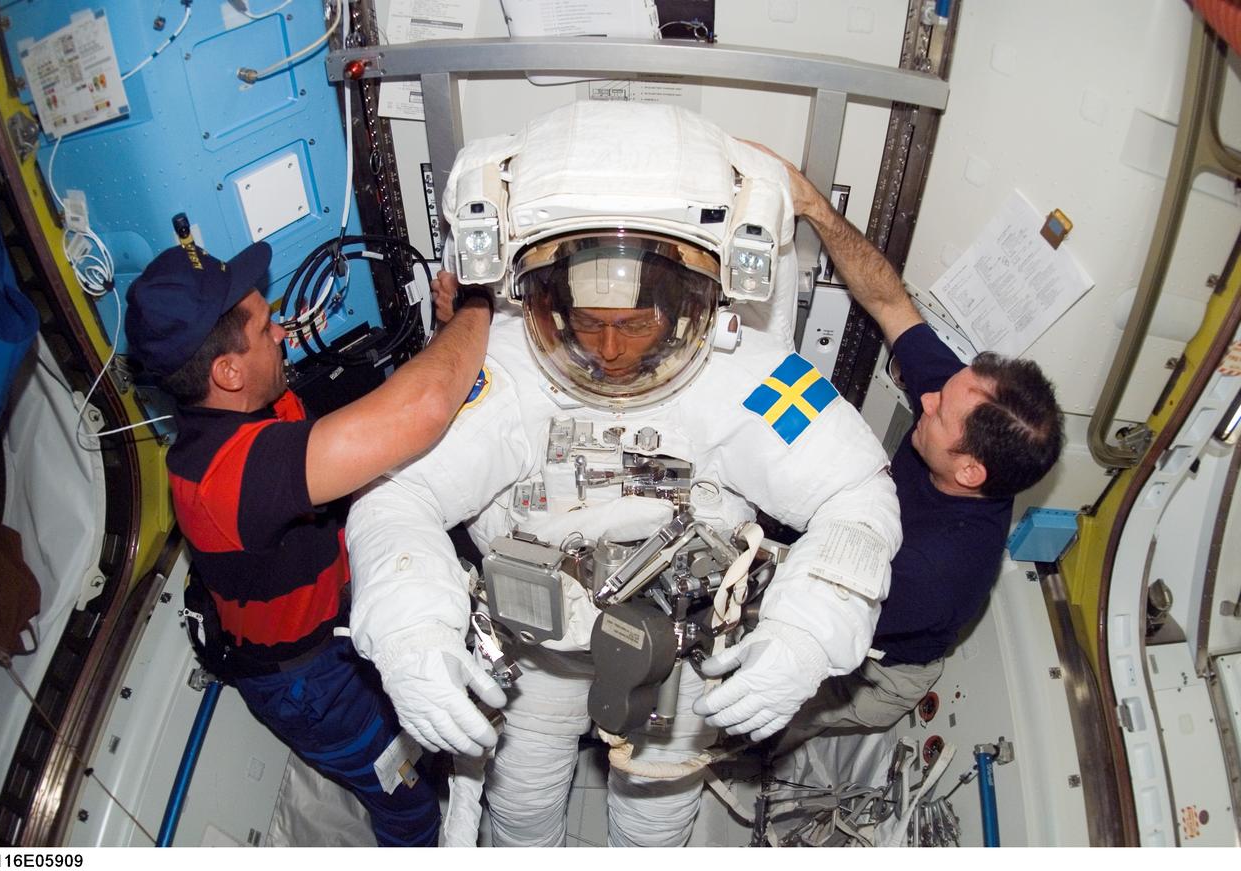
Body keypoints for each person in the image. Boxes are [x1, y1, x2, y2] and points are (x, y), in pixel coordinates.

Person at [345, 101, 902, 847]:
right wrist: (412, 625)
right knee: (520, 813)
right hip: (535, 645)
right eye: (586, 322)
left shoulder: (749, 377)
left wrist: (807, 633)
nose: (608, 350)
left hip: (678, 650)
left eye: (634, 324)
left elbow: (857, 493)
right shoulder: (507, 366)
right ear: (544, 299)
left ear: (684, 305)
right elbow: (396, 493)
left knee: (653, 826)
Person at [123, 239, 493, 846]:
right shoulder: (226, 480)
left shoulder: (251, 408)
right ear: (228, 371)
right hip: (309, 683)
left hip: (331, 626)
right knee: (404, 798)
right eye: (267, 328)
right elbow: (421, 410)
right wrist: (479, 308)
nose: (285, 336)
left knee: (410, 737)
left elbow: (389, 406)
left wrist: (446, 332)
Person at [754, 144, 1064, 745]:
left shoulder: (939, 571)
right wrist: (813, 204)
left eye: (939, 411)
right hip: (853, 555)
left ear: (970, 472)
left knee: (756, 716)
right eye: (941, 389)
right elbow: (890, 302)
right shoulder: (964, 404)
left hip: (872, 664)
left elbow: (815, 601)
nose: (923, 399)